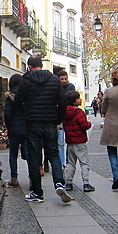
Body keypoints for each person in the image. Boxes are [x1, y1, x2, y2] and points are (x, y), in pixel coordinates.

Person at [16, 57, 72, 203]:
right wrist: (57, 119)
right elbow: (63, 101)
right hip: (50, 122)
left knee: (34, 156)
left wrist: (25, 112)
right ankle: (59, 182)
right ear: (42, 65)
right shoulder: (54, 80)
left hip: (32, 123)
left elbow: (18, 100)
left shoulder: (26, 80)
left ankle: (37, 192)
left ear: (29, 66)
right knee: (53, 153)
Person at [63, 91, 95, 192]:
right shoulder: (79, 112)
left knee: (71, 163)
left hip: (70, 141)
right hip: (80, 140)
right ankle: (86, 183)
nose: (80, 100)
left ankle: (68, 183)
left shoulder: (65, 112)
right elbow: (84, 126)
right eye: (78, 98)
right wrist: (89, 123)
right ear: (74, 101)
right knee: (84, 162)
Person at [3, 73, 27, 188]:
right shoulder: (26, 95)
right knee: (30, 154)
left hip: (13, 129)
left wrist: (8, 126)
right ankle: (33, 178)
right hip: (27, 128)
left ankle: (14, 178)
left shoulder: (9, 96)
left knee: (13, 154)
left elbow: (7, 114)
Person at [55, 70, 74, 168]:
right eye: (62, 79)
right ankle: (62, 163)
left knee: (69, 141)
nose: (64, 81)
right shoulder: (56, 87)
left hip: (69, 117)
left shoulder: (71, 87)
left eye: (65, 79)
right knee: (60, 142)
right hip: (60, 118)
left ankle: (67, 161)